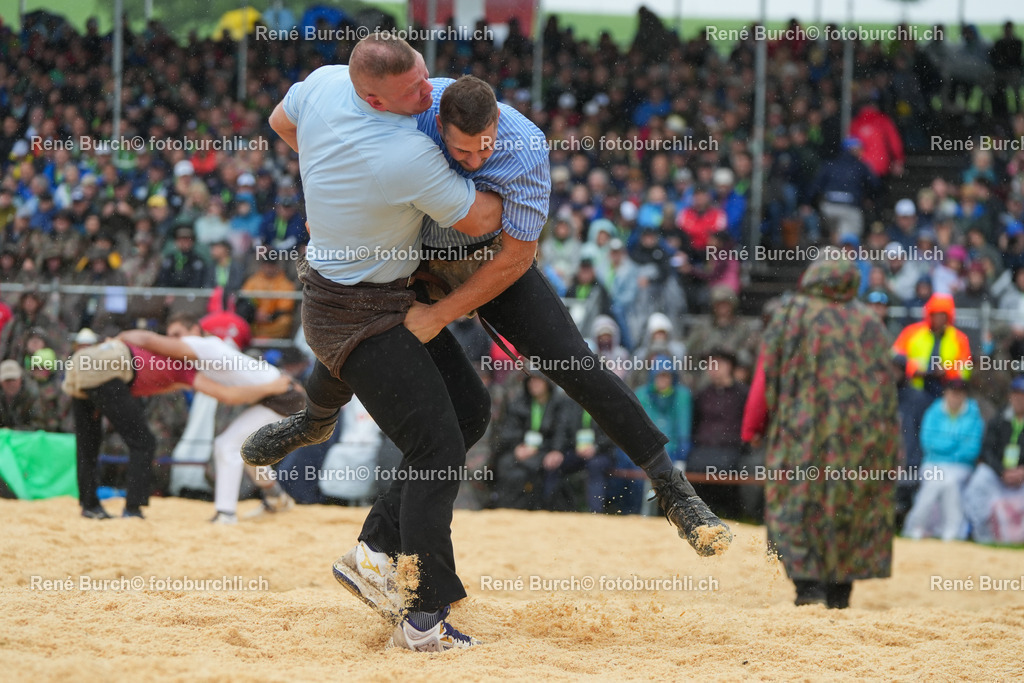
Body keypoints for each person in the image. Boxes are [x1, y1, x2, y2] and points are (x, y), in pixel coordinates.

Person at [242, 36, 504, 651]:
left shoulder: (325, 82)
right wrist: (523, 177)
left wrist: (333, 178)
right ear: (375, 98)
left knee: (470, 413)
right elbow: (482, 219)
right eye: (415, 90)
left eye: (425, 75)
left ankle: (374, 550)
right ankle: (424, 617)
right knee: (436, 445)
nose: (430, 92)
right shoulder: (403, 153)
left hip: (388, 297)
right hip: (353, 318)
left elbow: (281, 122)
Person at [743, 258, 899, 609]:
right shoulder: (870, 323)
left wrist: (754, 425)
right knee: (849, 508)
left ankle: (808, 588)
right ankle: (840, 593)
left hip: (803, 438)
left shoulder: (791, 315)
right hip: (861, 444)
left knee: (798, 506)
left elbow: (766, 374)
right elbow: (887, 392)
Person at [62, 337, 291, 520]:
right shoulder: (186, 369)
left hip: (83, 362)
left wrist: (115, 340)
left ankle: (89, 506)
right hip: (109, 367)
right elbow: (228, 395)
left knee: (88, 442)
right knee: (143, 442)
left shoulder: (163, 354)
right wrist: (271, 387)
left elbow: (138, 339)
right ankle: (133, 509)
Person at [118, 313, 304, 524]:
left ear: (195, 331)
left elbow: (148, 339)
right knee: (246, 449)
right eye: (170, 336)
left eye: (177, 334)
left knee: (228, 445)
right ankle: (276, 498)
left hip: (283, 397)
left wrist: (119, 339)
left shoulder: (202, 345)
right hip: (280, 395)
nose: (173, 341)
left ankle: (226, 513)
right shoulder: (200, 356)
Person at [902, 379, 984, 541]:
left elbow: (971, 450)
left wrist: (945, 447)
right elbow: (928, 442)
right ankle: (917, 527)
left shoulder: (974, 415)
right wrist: (954, 444)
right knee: (935, 481)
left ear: (965, 395)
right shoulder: (933, 412)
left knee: (950, 482)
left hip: (960, 466)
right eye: (952, 393)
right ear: (945, 393)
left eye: (959, 393)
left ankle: (952, 530)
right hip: (933, 463)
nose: (955, 397)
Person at [963, 375, 1024, 544]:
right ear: (1010, 396)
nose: (1019, 399)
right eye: (1016, 394)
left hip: (1021, 477)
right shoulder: (998, 419)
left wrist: (1021, 471)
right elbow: (987, 451)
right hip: (1000, 474)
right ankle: (981, 534)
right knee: (980, 478)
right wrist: (1002, 471)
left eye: (1022, 395)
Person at [892, 293, 972, 400]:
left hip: (946, 392)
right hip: (913, 388)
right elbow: (895, 355)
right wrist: (914, 369)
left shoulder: (959, 338)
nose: (939, 319)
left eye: (943, 315)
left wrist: (947, 370)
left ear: (948, 316)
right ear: (929, 315)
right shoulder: (911, 332)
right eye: (936, 314)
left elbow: (965, 369)